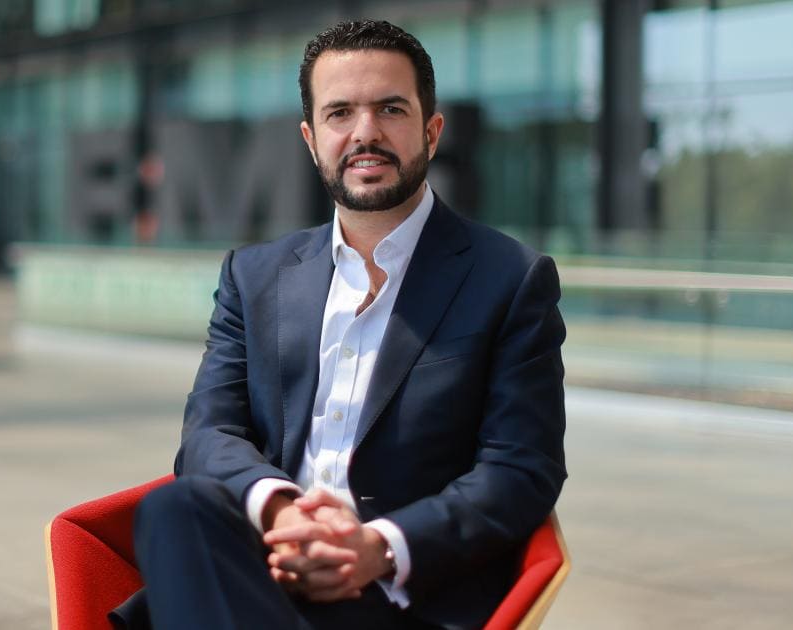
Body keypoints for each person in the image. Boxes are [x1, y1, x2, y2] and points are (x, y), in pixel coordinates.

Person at [116, 19, 567, 630]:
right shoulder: (254, 276)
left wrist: (377, 547)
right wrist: (282, 513)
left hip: (398, 596)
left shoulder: (510, 279)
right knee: (177, 507)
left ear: (432, 132)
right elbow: (208, 433)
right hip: (262, 571)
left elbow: (520, 468)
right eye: (340, 113)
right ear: (311, 139)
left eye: (391, 109)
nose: (365, 132)